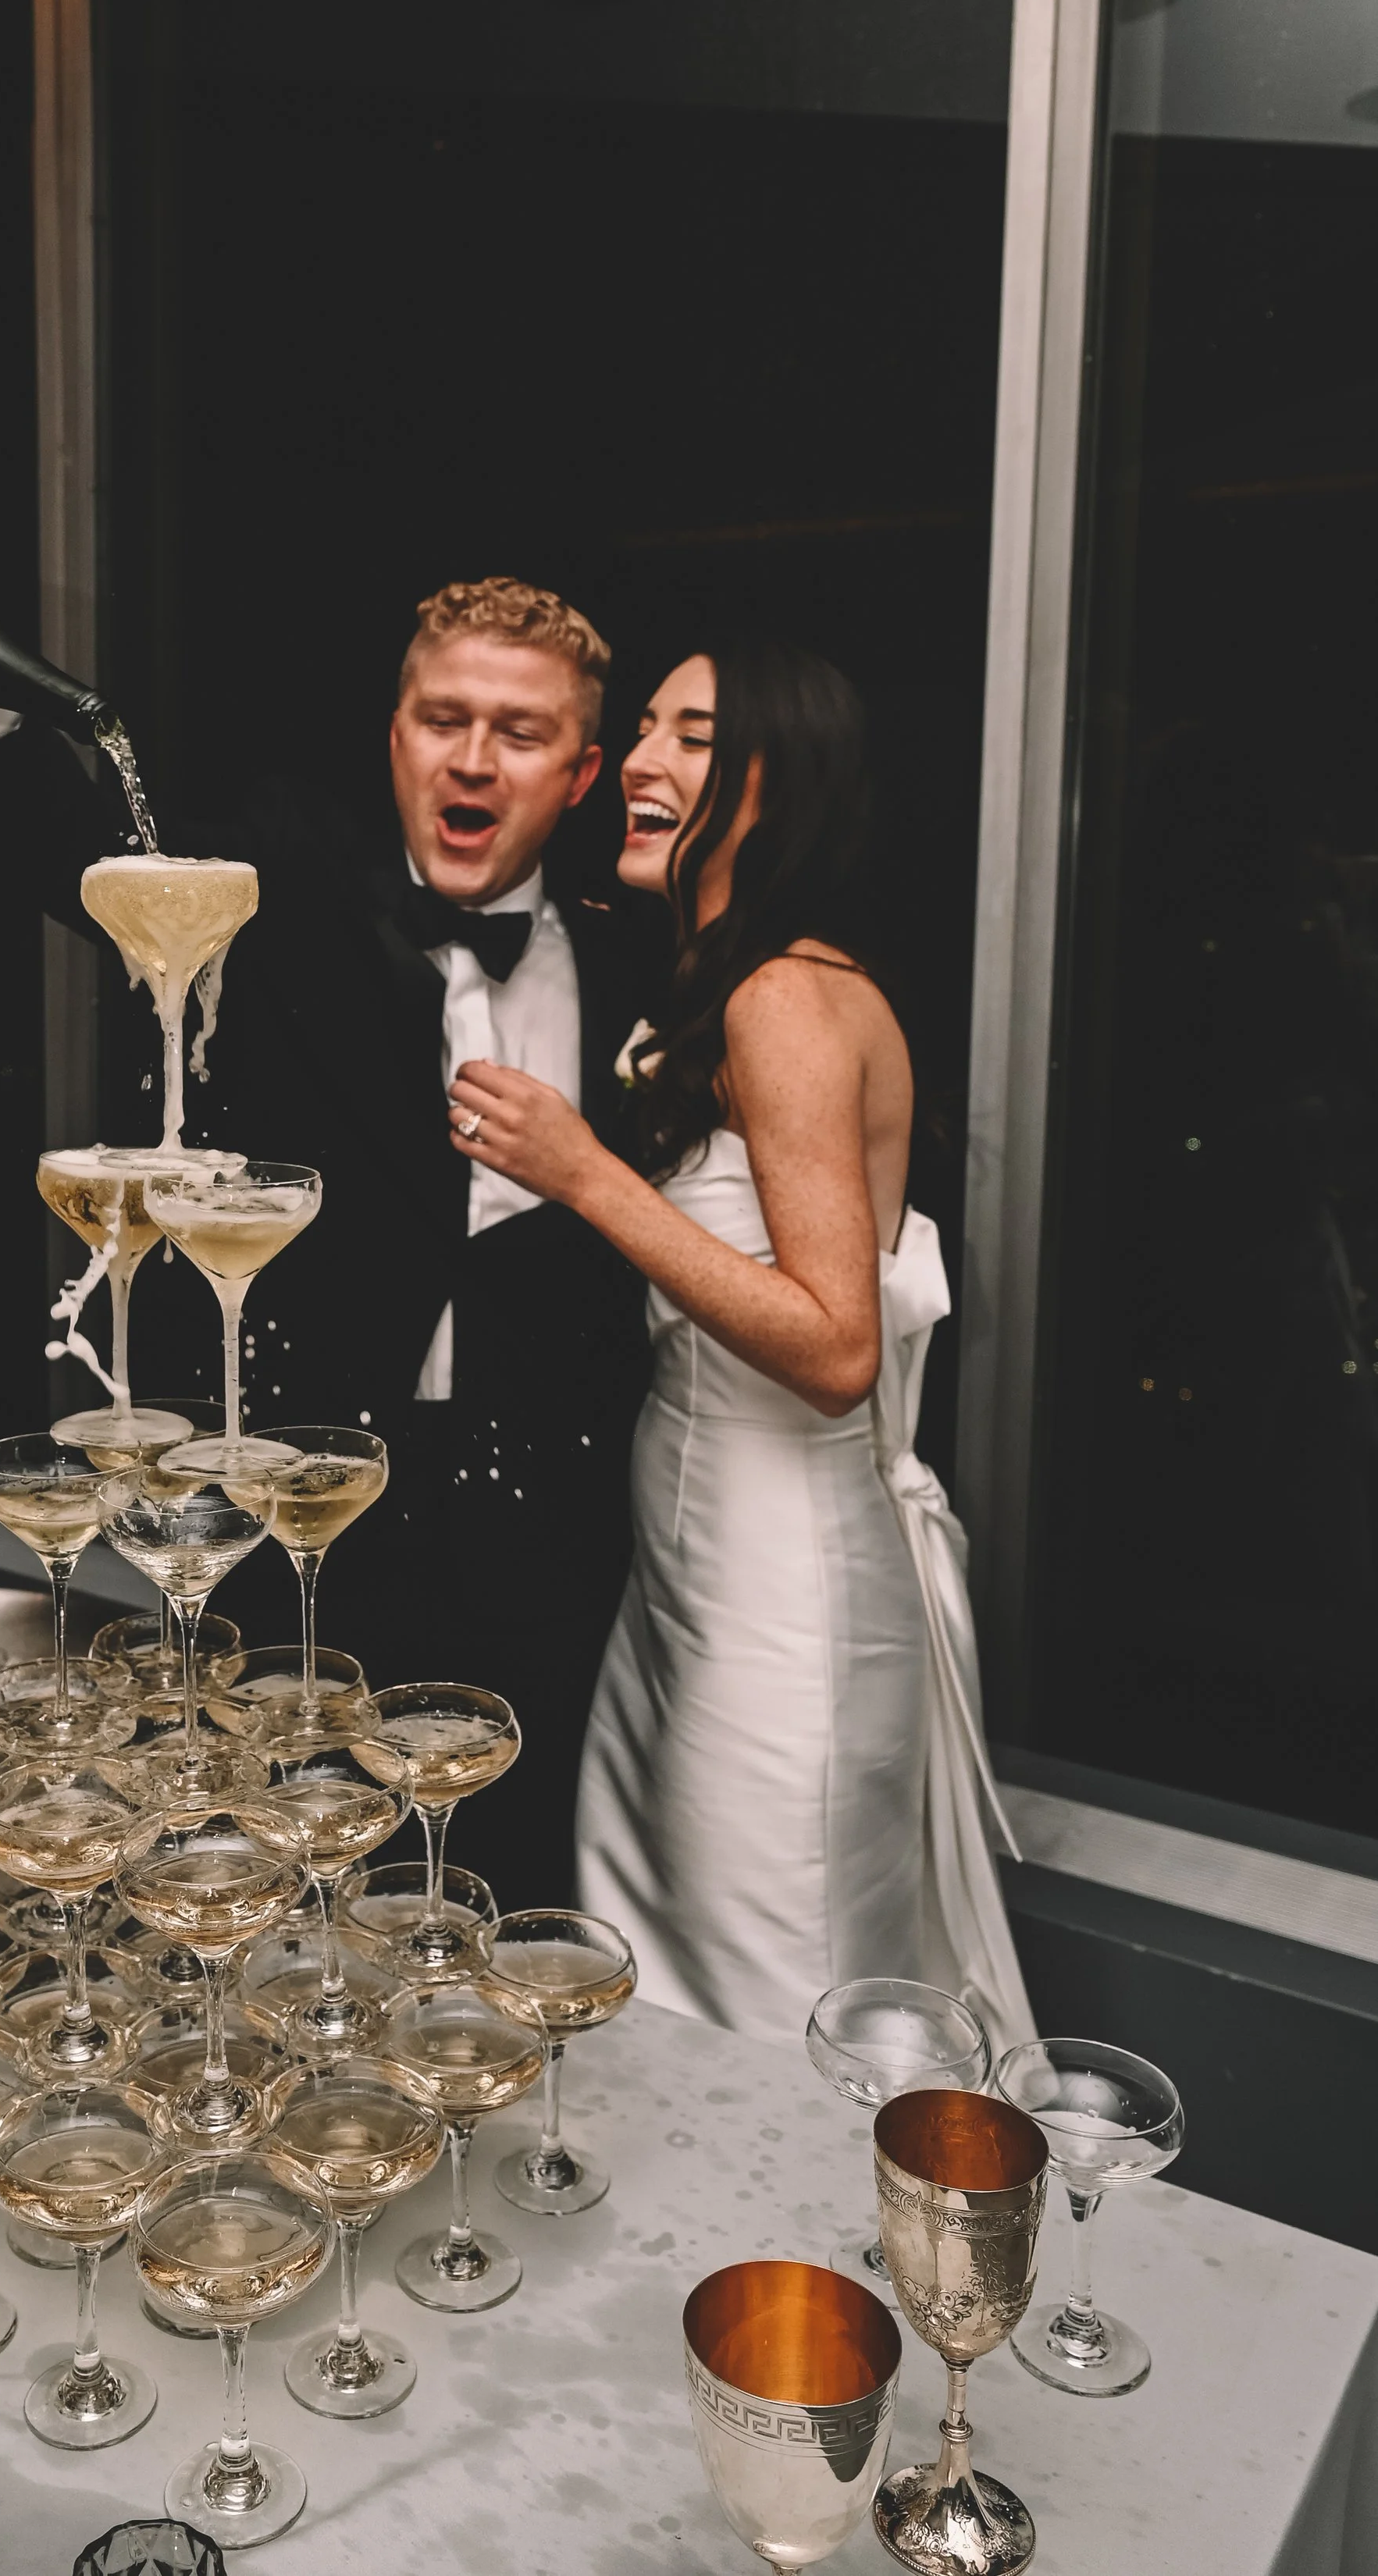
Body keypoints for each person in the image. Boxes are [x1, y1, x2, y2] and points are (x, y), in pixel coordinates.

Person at [0, 493, 661, 1909]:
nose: (474, 757)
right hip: (298, 1508)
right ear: (397, 736)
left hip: (556, 1549)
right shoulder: (285, 899)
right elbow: (63, 834)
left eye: (520, 732)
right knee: (272, 1891)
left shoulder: (642, 971)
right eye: (445, 718)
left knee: (506, 1892)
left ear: (580, 773)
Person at [444, 635, 1032, 2048]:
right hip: (690, 1584)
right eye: (646, 729)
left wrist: (585, 1172)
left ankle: (808, 2265)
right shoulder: (729, 984)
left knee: (781, 1995)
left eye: (692, 737)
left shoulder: (787, 997)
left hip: (783, 1607)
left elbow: (838, 1347)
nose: (642, 764)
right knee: (689, 1976)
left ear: (788, 781)